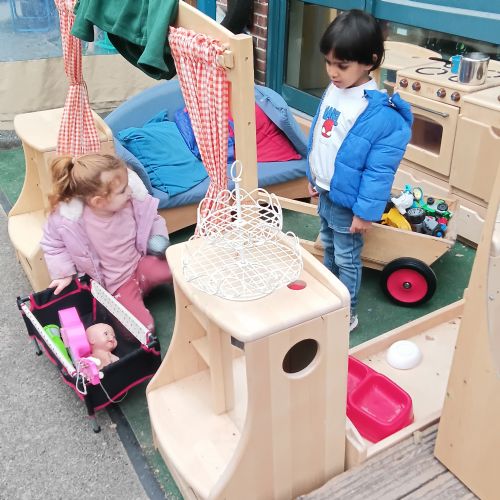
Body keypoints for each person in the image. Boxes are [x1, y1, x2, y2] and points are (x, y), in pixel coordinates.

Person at [307, 10, 413, 332]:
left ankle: (346, 314)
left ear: (369, 62)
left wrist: (365, 213)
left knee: (347, 258)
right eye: (328, 62)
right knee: (328, 245)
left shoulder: (380, 113)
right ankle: (329, 299)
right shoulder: (334, 90)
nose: (332, 72)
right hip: (328, 191)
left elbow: (379, 171)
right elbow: (322, 138)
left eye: (341, 65)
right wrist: (314, 176)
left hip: (350, 202)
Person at [41, 154, 172, 332]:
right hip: (116, 285)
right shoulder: (69, 220)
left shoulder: (133, 201)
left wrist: (158, 238)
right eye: (122, 190)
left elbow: (153, 219)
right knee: (142, 330)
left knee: (182, 269)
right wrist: (63, 273)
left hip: (141, 264)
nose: (129, 191)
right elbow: (53, 245)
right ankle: (131, 306)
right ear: (99, 201)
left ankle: (155, 284)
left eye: (127, 185)